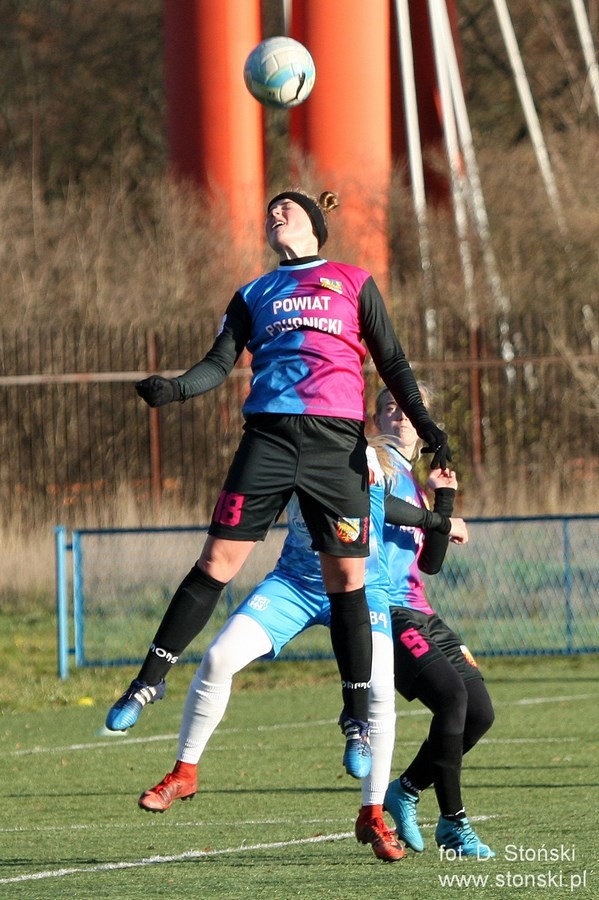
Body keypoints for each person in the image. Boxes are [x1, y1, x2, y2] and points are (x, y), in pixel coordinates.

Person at [106, 188, 452, 781]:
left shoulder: (353, 282)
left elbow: (392, 361)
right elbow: (219, 363)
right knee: (215, 561)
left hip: (335, 448)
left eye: (286, 208)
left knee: (347, 580)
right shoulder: (254, 292)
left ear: (314, 224)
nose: (274, 214)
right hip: (268, 440)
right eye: (270, 210)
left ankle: (356, 719)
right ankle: (147, 681)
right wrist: (177, 389)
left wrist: (426, 424)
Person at [134, 445, 468, 862]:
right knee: (218, 657)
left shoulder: (363, 454)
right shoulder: (284, 443)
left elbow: (385, 508)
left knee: (380, 689)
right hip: (296, 584)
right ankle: (184, 772)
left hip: (362, 588)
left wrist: (439, 517)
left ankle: (373, 814)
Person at [372, 387, 496, 859]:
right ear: (376, 419)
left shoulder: (412, 478)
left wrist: (443, 499)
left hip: (422, 611)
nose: (400, 415)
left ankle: (405, 789)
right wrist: (441, 520)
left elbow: (431, 564)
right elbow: (379, 507)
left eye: (409, 408)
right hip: (384, 610)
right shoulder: (373, 462)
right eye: (390, 407)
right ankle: (454, 823)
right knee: (451, 698)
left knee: (479, 712)